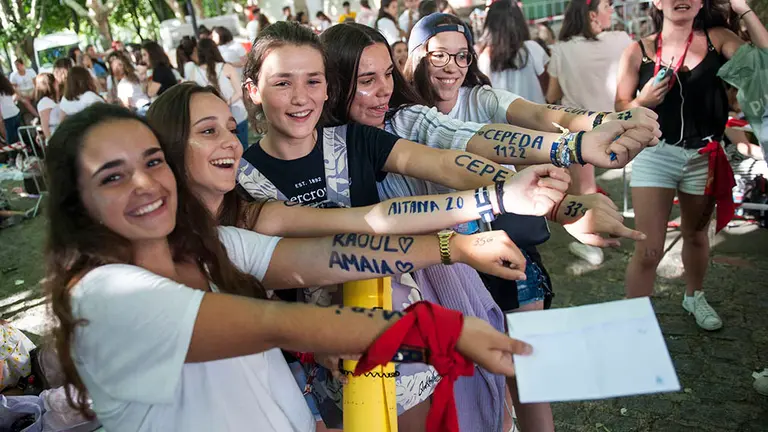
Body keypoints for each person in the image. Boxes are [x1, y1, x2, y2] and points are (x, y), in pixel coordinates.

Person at [45, 103, 534, 432]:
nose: (145, 184)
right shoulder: (106, 296)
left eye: (152, 162)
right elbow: (279, 323)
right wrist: (440, 329)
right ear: (76, 204)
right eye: (112, 176)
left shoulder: (209, 247)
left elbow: (327, 256)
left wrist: (455, 248)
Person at [323, 20, 655, 432]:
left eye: (387, 74)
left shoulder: (409, 120)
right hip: (368, 309)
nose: (451, 66)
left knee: (503, 386)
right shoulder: (319, 146)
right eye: (367, 79)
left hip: (458, 276)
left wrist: (569, 178)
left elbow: (470, 146)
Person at [239, 22, 573, 430]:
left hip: (399, 334)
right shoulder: (243, 180)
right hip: (310, 362)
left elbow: (448, 159)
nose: (300, 97)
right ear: (253, 90)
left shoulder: (359, 141)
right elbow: (255, 279)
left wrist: (554, 166)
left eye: (312, 81)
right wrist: (310, 341)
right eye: (282, 83)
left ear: (328, 86)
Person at [615, 0, 768, 330]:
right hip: (656, 154)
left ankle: (693, 295)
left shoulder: (718, 38)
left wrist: (743, 9)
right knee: (648, 248)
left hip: (704, 157)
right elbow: (619, 108)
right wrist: (643, 101)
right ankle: (633, 320)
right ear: (656, 1)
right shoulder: (637, 51)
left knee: (697, 236)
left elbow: (762, 63)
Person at [546, 0, 633, 266]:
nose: (612, 11)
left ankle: (589, 239)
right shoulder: (622, 40)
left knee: (583, 189)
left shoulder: (561, 49)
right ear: (592, 15)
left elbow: (552, 96)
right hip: (618, 123)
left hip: (578, 129)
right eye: (608, 6)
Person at [478, 0, 550, 104]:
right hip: (535, 115)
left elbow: (485, 94)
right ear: (519, 21)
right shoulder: (532, 48)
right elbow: (546, 83)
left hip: (501, 118)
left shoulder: (485, 56)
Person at [186, 39, 248, 148]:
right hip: (237, 114)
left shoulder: (194, 73)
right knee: (243, 149)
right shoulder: (226, 67)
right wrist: (226, 103)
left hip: (212, 118)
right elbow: (239, 92)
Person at [34, 73, 63, 139]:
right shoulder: (44, 102)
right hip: (55, 136)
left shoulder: (53, 100)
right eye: (55, 81)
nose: (58, 83)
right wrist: (49, 140)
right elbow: (45, 124)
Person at [0, 72, 21, 144]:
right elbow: (17, 94)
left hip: (7, 117)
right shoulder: (6, 87)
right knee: (19, 137)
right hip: (16, 112)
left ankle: (13, 155)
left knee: (11, 141)